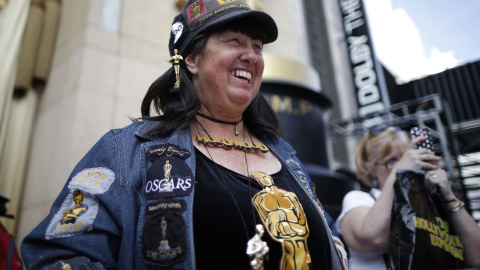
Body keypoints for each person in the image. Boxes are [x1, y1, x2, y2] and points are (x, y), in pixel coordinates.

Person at [21, 1, 347, 269]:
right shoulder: (126, 151)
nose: (251, 55)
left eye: (257, 46)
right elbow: (57, 256)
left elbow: (331, 240)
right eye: (234, 41)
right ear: (191, 58)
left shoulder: (284, 154)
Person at [335, 126, 480, 270]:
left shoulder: (428, 203)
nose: (409, 163)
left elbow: (477, 258)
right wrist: (401, 172)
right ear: (371, 169)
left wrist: (449, 197)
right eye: (391, 160)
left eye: (407, 157)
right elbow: (373, 239)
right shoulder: (360, 199)